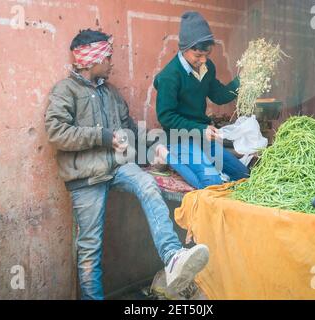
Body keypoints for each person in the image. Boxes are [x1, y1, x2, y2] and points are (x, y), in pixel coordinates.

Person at [45, 29, 209, 300]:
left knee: (147, 184)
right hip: (86, 176)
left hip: (118, 166)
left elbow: (130, 128)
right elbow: (57, 133)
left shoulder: (110, 93)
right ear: (90, 59)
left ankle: (172, 256)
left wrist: (154, 146)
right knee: (89, 248)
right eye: (107, 57)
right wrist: (104, 137)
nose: (111, 62)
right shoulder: (65, 91)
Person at [153, 11, 249, 189]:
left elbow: (219, 95)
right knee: (211, 183)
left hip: (201, 138)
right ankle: (166, 155)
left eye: (207, 54)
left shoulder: (207, 67)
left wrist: (243, 81)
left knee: (242, 175)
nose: (203, 60)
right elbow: (165, 117)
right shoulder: (170, 76)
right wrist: (200, 128)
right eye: (198, 55)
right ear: (184, 49)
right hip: (179, 138)